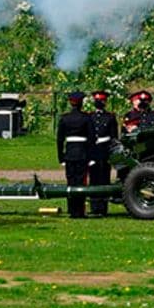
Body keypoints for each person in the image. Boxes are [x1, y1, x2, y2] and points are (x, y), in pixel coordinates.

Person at [55, 90, 94, 218]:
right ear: (81, 103)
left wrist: (61, 157)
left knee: (70, 181)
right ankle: (79, 211)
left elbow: (60, 140)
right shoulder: (86, 118)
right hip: (82, 153)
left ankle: (72, 210)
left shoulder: (65, 118)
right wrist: (91, 156)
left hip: (70, 153)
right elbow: (91, 138)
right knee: (81, 182)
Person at [87, 90, 118, 217]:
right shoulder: (90, 117)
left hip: (104, 151)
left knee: (104, 178)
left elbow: (114, 136)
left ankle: (103, 208)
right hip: (93, 151)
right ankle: (94, 206)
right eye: (97, 100)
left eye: (101, 100)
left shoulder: (110, 117)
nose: (99, 103)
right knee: (93, 179)